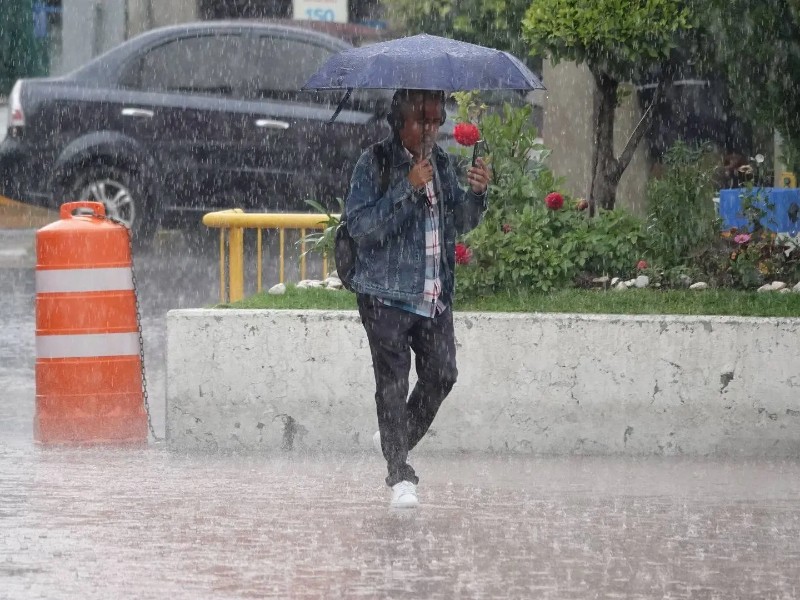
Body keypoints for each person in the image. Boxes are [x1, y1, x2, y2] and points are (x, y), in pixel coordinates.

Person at [345, 88, 491, 508]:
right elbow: (361, 228)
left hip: (434, 296)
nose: (431, 129)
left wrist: (477, 194)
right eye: (421, 120)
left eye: (436, 119)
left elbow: (460, 221)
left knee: (442, 374)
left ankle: (396, 438)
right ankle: (399, 473)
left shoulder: (441, 163)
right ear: (399, 121)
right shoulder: (373, 163)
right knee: (392, 386)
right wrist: (407, 188)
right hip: (385, 297)